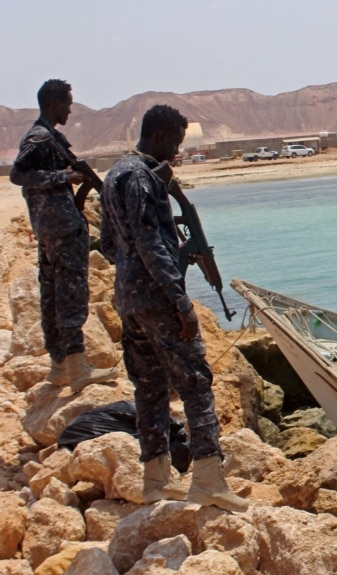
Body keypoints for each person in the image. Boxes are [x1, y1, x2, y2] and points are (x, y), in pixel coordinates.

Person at [100, 104, 247, 513]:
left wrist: (144, 265)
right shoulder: (142, 178)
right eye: (176, 144)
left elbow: (110, 245)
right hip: (158, 299)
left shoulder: (115, 174)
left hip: (129, 300)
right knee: (196, 384)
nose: (176, 154)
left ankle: (156, 479)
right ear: (161, 136)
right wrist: (180, 302)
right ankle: (208, 480)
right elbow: (150, 245)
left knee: (149, 388)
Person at [9, 79, 118, 393]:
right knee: (70, 294)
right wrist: (64, 176)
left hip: (51, 228)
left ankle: (59, 366)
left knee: (53, 294)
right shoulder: (41, 138)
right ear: (55, 103)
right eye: (68, 103)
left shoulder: (47, 137)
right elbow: (18, 174)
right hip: (62, 229)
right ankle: (77, 366)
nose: (71, 109)